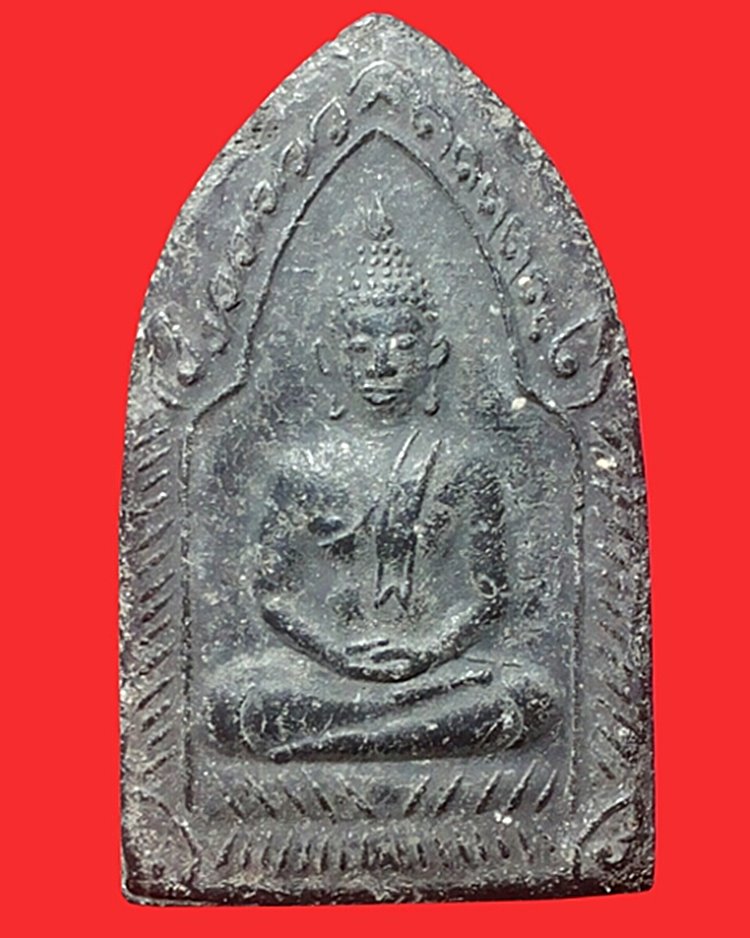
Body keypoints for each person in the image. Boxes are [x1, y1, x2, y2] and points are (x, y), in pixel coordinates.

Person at [208, 202, 556, 761]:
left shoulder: (465, 464)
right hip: (325, 671)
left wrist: (428, 652)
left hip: (436, 672)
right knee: (229, 703)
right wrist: (336, 653)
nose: (381, 364)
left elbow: (488, 596)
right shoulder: (302, 467)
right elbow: (272, 594)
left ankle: (338, 742)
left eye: (402, 344)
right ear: (331, 357)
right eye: (361, 346)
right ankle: (390, 735)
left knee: (529, 698)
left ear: (434, 351)